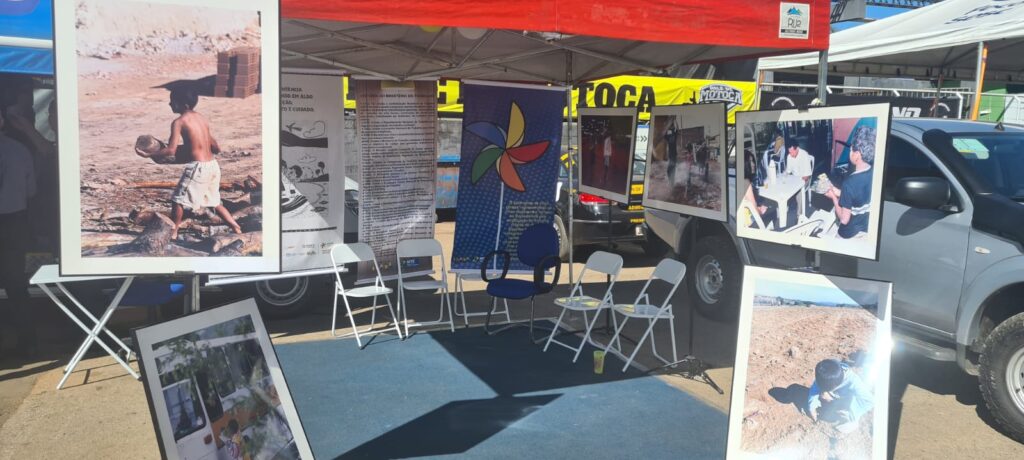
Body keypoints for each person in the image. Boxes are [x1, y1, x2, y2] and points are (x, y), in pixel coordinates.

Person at [135, 87, 242, 240]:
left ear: (183, 104)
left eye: (173, 101)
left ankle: (173, 232)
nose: (170, 104)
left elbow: (171, 150)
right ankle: (235, 227)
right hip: (213, 165)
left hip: (198, 168)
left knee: (177, 200)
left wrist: (149, 155)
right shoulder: (201, 118)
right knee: (215, 202)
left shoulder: (179, 122)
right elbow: (216, 147)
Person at [0, 105, 39, 357]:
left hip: (13, 221)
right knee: (15, 283)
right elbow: (31, 190)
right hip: (15, 222)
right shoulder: (20, 150)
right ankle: (27, 340)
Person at [826, 126, 875, 239]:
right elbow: (858, 195)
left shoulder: (849, 183)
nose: (850, 152)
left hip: (850, 233)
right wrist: (838, 192)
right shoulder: (873, 172)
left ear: (856, 154)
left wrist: (834, 198)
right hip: (865, 229)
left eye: (851, 149)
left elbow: (844, 220)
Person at [807, 358, 874, 433]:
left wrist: (852, 413)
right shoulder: (824, 373)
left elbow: (870, 401)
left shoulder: (854, 382)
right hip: (836, 394)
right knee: (822, 395)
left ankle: (853, 422)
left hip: (849, 397)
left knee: (848, 409)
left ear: (836, 386)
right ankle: (832, 399)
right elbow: (814, 389)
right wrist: (811, 408)